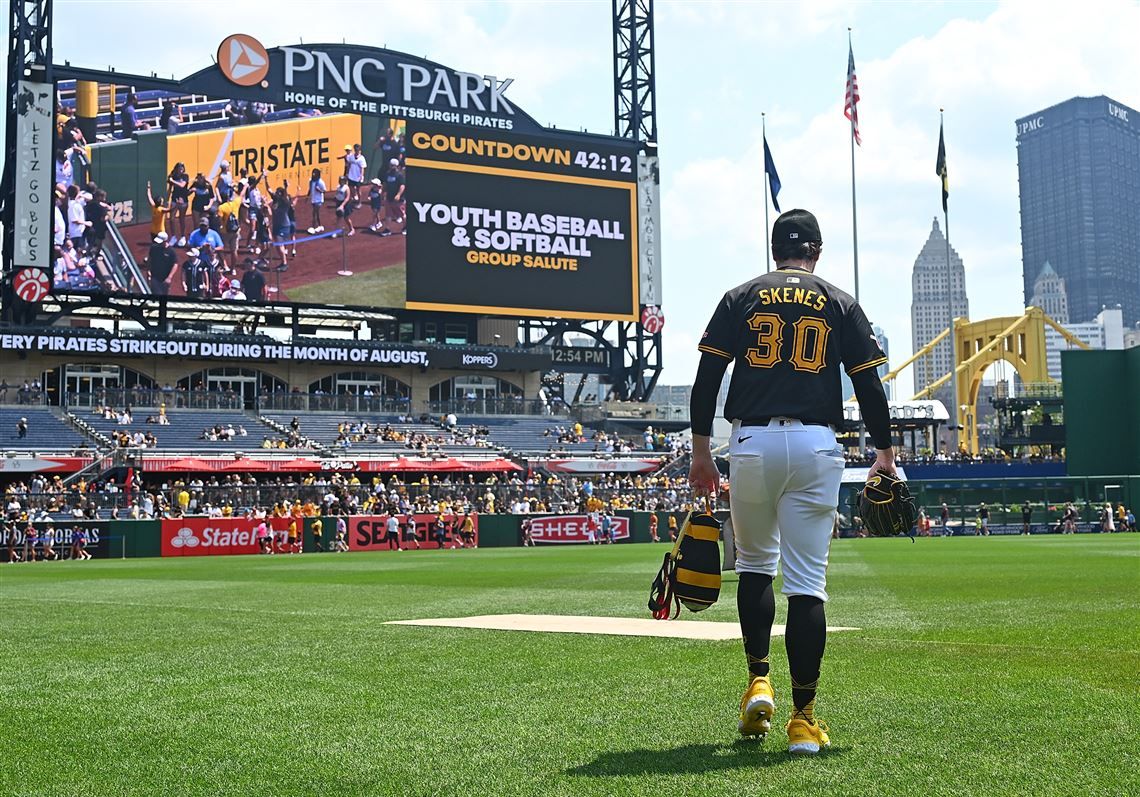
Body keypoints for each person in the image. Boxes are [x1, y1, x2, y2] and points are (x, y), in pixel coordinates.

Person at [688, 208, 894, 755]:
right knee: (807, 583)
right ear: (818, 252)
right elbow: (869, 384)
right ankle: (803, 719)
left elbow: (708, 377)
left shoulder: (740, 295)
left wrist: (701, 451)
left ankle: (759, 681)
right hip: (815, 444)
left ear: (775, 248)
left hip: (750, 443)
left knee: (755, 565)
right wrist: (886, 452)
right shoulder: (839, 300)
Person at [308, 168, 327, 233]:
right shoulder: (311, 181)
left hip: (319, 200)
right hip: (313, 199)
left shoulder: (321, 182)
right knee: (317, 213)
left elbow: (324, 191)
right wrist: (308, 196)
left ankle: (314, 227)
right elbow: (310, 189)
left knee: (314, 213)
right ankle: (320, 226)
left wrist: (319, 190)